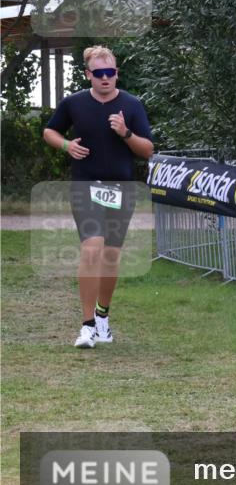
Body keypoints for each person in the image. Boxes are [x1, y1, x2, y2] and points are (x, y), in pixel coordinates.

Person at [43, 45, 154, 348]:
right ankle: (87, 325)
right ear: (88, 74)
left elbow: (148, 150)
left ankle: (103, 316)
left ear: (117, 73)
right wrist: (66, 146)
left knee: (110, 256)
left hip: (121, 188)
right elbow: (49, 132)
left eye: (111, 72)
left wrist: (126, 133)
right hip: (85, 185)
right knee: (92, 249)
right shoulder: (73, 103)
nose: (106, 78)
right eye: (99, 73)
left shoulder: (131, 105)